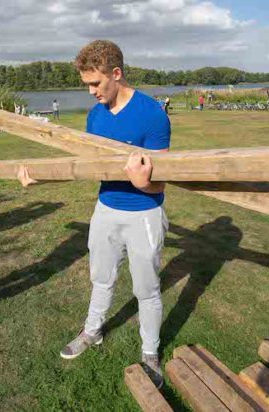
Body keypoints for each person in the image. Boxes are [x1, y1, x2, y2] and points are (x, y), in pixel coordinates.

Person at [60, 40, 170, 388]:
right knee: (101, 277)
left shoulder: (153, 114)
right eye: (87, 85)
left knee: (146, 289)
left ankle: (150, 351)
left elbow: (160, 183)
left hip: (144, 214)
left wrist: (144, 183)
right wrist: (39, 175)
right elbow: (92, 168)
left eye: (96, 83)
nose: (91, 92)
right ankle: (93, 331)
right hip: (105, 209)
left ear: (117, 74)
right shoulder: (95, 115)